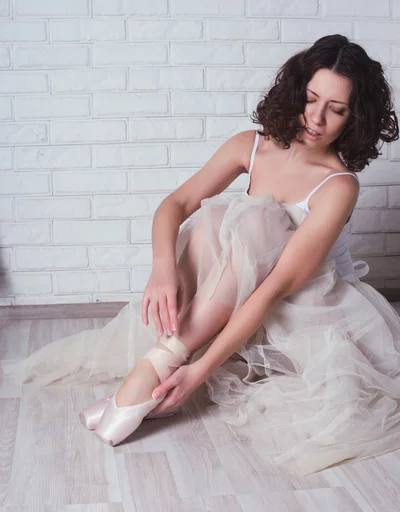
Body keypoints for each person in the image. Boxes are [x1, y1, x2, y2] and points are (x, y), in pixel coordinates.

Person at [3, 34, 400, 476]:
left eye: (337, 110)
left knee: (255, 221)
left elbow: (274, 289)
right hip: (235, 294)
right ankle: (162, 362)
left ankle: (158, 364)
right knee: (217, 219)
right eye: (311, 99)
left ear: (355, 118)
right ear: (296, 91)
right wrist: (162, 268)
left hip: (306, 309)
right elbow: (175, 204)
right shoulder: (251, 145)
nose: (317, 118)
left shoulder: (338, 185)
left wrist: (200, 372)